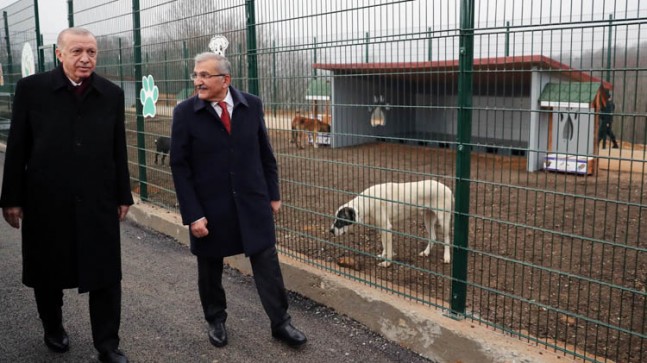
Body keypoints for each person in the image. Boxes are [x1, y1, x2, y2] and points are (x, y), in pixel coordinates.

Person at [0, 27, 132, 363]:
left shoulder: (111, 94)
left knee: (104, 274)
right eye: (77, 51)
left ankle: (107, 344)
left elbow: (119, 149)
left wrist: (122, 195)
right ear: (59, 54)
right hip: (46, 199)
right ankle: (53, 327)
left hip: (97, 199)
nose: (85, 58)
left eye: (91, 52)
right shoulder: (32, 90)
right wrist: (11, 198)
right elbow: (17, 146)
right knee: (48, 271)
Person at [170, 52, 307, 349]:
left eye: (205, 75)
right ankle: (215, 319)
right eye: (196, 74)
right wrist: (193, 213)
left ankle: (281, 322)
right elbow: (179, 167)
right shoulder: (184, 113)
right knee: (209, 266)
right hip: (209, 206)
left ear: (225, 80)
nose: (198, 81)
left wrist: (273, 194)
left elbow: (265, 153)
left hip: (252, 202)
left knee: (266, 262)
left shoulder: (251, 105)